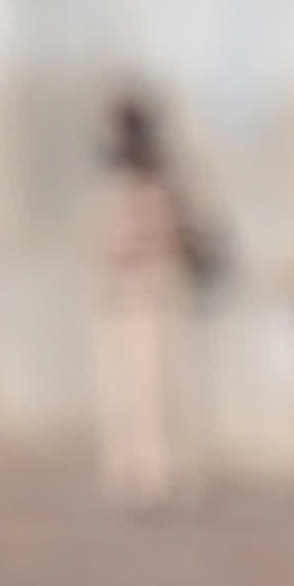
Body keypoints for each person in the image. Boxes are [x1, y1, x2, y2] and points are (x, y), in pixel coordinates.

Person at [83, 88, 213, 510]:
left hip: (156, 294)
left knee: (157, 388)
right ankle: (129, 472)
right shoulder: (112, 180)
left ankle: (159, 476)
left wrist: (158, 243)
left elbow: (187, 232)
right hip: (118, 297)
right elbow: (100, 241)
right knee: (121, 391)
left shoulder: (165, 178)